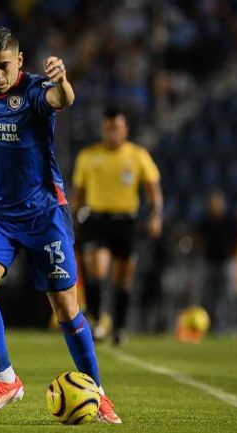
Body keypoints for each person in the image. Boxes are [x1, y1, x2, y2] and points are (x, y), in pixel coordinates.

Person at [0, 26, 121, 423]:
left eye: (3, 66)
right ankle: (6, 380)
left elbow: (63, 99)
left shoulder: (37, 90)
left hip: (44, 215)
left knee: (65, 308)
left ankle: (97, 390)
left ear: (19, 61)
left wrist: (63, 80)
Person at [71, 108, 163, 345]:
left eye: (117, 128)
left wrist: (155, 215)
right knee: (96, 269)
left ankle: (120, 327)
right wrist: (71, 219)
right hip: (96, 219)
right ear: (103, 130)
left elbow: (153, 188)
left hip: (126, 222)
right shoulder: (88, 155)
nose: (112, 133)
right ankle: (96, 320)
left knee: (123, 279)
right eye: (109, 128)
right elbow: (78, 193)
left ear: (125, 130)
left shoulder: (137, 155)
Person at [195, 191, 237, 334]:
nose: (214, 206)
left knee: (229, 296)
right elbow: (197, 237)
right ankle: (211, 326)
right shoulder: (206, 220)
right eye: (212, 203)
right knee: (209, 296)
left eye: (216, 203)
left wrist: (235, 256)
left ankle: (231, 326)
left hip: (227, 262)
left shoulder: (231, 220)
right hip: (209, 262)